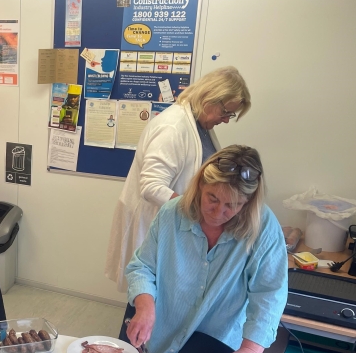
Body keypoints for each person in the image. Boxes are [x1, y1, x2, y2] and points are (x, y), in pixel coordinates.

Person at [121, 145, 287, 353]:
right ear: (200, 185)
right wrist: (145, 307)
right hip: (159, 343)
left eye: (233, 205)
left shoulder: (263, 229)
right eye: (212, 198)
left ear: (248, 202)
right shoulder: (171, 214)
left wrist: (251, 351)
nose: (218, 212)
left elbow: (269, 294)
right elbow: (142, 266)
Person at [105, 66, 252, 292]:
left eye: (230, 115)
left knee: (167, 292)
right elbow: (152, 187)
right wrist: (198, 210)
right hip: (156, 221)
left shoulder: (199, 124)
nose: (225, 120)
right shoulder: (173, 127)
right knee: (148, 290)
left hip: (178, 222)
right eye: (225, 112)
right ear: (209, 97)